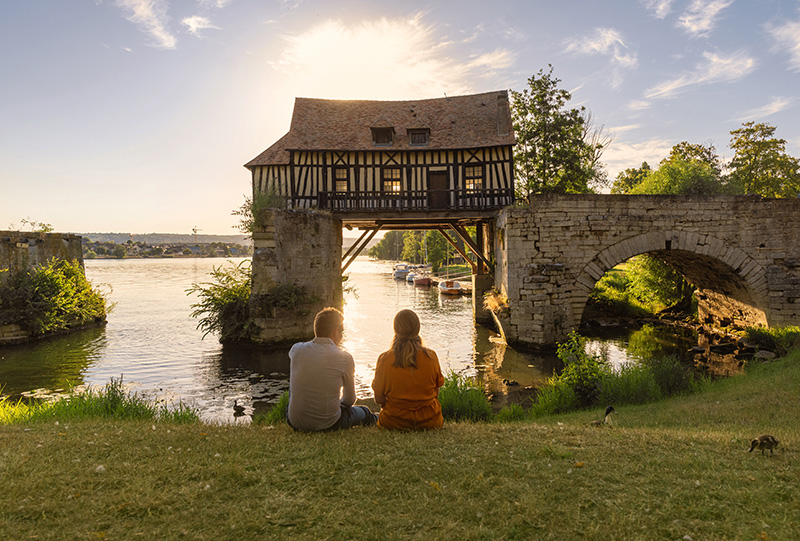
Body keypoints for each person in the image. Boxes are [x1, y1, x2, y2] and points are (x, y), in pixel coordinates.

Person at [287, 307, 377, 431]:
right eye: (342, 331)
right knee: (365, 412)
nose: (341, 336)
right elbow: (350, 399)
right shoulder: (345, 358)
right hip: (329, 423)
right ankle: (379, 420)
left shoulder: (296, 350)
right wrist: (338, 405)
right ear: (335, 332)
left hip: (295, 422)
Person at [371, 309, 445, 430]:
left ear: (395, 330)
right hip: (430, 421)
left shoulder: (385, 359)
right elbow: (436, 393)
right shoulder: (431, 357)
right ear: (417, 329)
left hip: (394, 422)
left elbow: (379, 399)